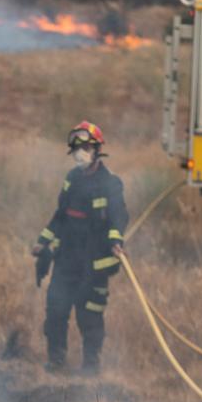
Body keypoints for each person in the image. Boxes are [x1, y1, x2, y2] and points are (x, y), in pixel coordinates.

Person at [31, 121, 128, 375]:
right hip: (66, 259)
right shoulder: (72, 179)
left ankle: (91, 366)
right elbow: (60, 215)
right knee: (56, 310)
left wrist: (116, 242)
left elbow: (119, 217)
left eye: (85, 148)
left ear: (97, 150)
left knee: (90, 315)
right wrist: (43, 241)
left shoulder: (110, 183)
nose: (80, 154)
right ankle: (56, 361)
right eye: (76, 149)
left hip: (94, 263)